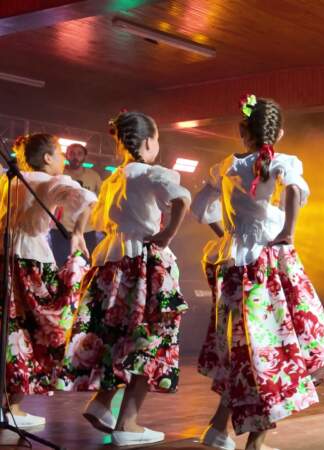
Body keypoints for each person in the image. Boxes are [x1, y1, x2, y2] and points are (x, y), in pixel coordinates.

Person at [191, 95, 324, 450]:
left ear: (241, 131)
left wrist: (227, 236)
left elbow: (201, 206)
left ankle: (218, 429)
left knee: (246, 352)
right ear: (280, 133)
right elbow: (294, 189)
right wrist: (288, 230)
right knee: (272, 351)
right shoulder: (284, 162)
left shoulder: (224, 166)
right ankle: (254, 443)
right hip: (268, 263)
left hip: (234, 264)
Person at [61, 111, 190, 446]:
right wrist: (166, 235)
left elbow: (96, 216)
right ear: (148, 142)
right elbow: (182, 199)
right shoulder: (150, 173)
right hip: (142, 260)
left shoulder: (115, 177)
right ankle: (127, 423)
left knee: (116, 336)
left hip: (112, 259)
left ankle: (102, 403)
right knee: (148, 339)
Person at [0, 134, 96, 428]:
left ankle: (9, 406)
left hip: (4, 255)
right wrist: (78, 233)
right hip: (30, 258)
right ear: (46, 158)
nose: (64, 161)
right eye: (60, 154)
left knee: (10, 330)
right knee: (33, 331)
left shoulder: (9, 180)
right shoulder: (47, 179)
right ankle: (13, 406)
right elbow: (87, 198)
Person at [50, 143, 104, 265]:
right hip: (61, 229)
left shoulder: (94, 176)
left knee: (86, 266)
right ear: (67, 156)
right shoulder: (60, 174)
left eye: (79, 153)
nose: (75, 157)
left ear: (85, 156)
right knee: (62, 266)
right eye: (72, 153)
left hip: (87, 229)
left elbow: (100, 201)